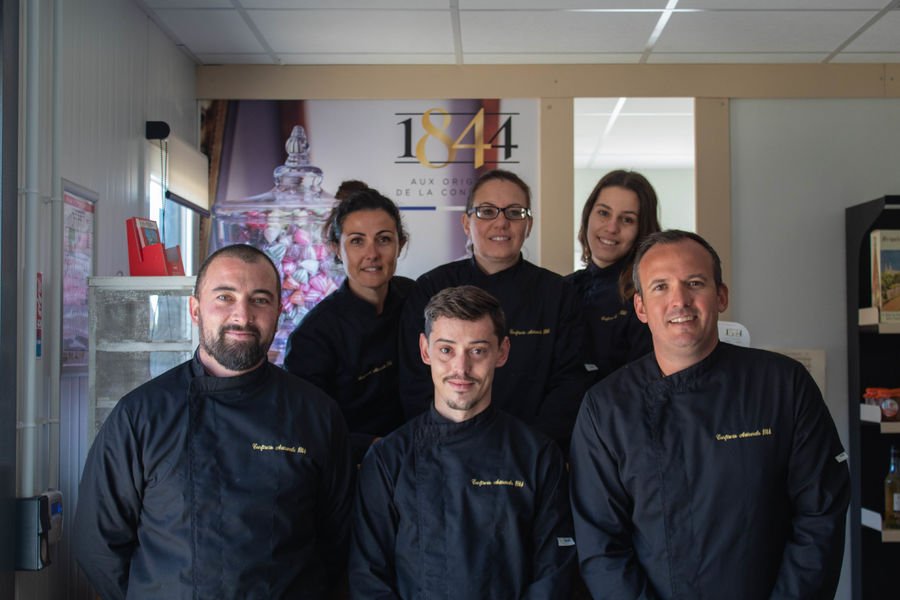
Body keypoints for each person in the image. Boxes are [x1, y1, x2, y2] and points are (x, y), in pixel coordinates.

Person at [569, 230, 850, 599]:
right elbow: (601, 547)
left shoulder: (784, 385)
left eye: (695, 283)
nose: (679, 301)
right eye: (660, 287)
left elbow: (820, 516)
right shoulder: (605, 408)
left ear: (721, 296)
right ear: (640, 307)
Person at [73, 244, 354, 599]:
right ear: (195, 309)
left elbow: (339, 539)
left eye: (260, 300)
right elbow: (98, 544)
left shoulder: (317, 415)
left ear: (279, 311)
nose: (242, 315)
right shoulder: (140, 415)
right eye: (225, 297)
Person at [350, 285, 577, 598]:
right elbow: (369, 578)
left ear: (502, 352)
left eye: (478, 351)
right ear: (425, 350)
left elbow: (553, 573)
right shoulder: (388, 459)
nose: (461, 369)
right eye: (446, 350)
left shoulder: (538, 456)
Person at [398, 169, 590, 451]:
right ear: (466, 223)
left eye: (514, 212)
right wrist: (450, 444)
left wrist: (528, 450)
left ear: (529, 225)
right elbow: (415, 381)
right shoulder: (430, 288)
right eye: (487, 211)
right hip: (444, 449)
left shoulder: (558, 294)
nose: (501, 222)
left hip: (532, 452)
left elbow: (569, 384)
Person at [284, 186, 412, 464]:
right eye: (357, 241)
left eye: (384, 240)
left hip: (423, 454)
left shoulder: (416, 300)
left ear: (400, 245)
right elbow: (305, 427)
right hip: (354, 466)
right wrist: (379, 447)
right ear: (336, 249)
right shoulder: (313, 336)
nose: (372, 253)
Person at [567, 169, 660, 381]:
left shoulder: (646, 296)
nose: (611, 227)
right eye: (603, 213)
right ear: (588, 216)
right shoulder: (563, 288)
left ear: (642, 229)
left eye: (627, 220)